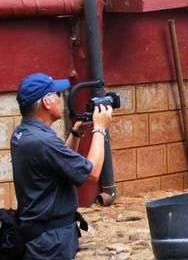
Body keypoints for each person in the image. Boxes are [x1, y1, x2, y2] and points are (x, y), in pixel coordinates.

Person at [11, 73, 113, 259]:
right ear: (46, 102)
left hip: (38, 235)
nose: (60, 99)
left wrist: (75, 133)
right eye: (56, 94)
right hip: (50, 243)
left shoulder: (23, 133)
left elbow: (60, 164)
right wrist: (100, 129)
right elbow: (92, 174)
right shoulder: (43, 141)